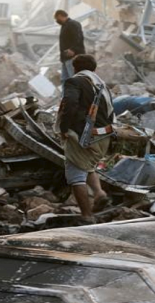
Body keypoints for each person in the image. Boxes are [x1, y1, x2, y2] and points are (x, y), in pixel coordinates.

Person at [57, 54, 114, 223]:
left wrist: (64, 128)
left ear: (74, 68)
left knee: (75, 174)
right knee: (87, 165)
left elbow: (70, 104)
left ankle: (87, 215)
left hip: (83, 136)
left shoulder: (74, 81)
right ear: (94, 68)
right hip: (103, 135)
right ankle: (99, 193)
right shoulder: (101, 84)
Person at [54, 9, 85, 87]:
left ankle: (77, 94)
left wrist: (73, 49)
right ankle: (67, 94)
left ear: (60, 16)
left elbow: (78, 38)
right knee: (65, 80)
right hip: (66, 58)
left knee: (74, 78)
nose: (57, 21)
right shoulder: (64, 26)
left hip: (73, 57)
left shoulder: (72, 24)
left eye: (57, 18)